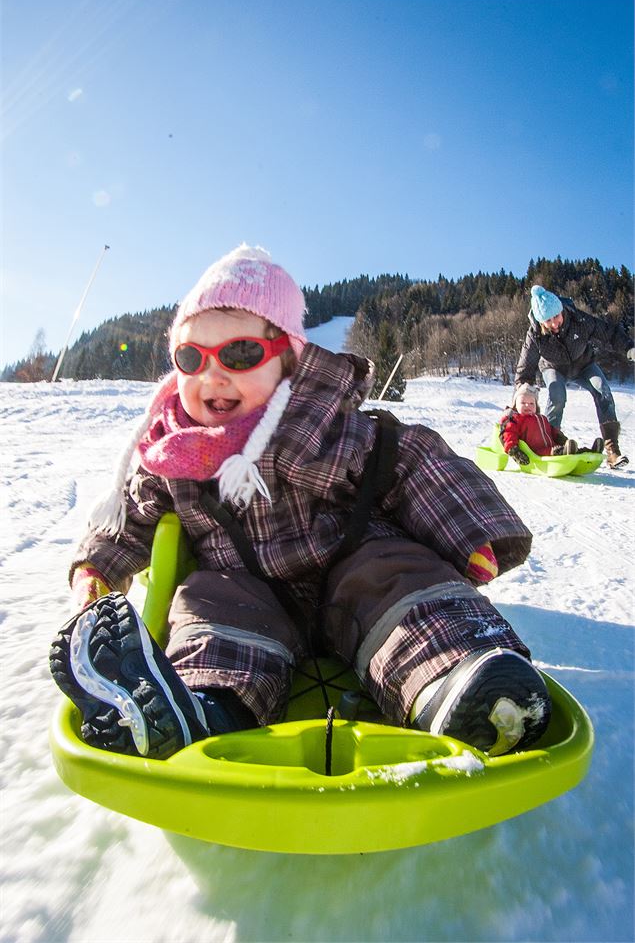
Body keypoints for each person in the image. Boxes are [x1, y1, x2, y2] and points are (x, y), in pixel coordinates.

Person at [49, 243, 551, 762]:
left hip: (350, 573)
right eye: (191, 358)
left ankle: (457, 678)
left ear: (289, 361)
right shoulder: (175, 456)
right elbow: (132, 516)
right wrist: (97, 567)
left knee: (397, 572)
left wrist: (471, 532)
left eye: (239, 354)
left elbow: (411, 460)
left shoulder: (330, 425)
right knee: (210, 600)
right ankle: (202, 709)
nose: (211, 375)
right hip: (249, 594)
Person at [515, 285, 634, 469]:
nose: (554, 323)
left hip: (584, 364)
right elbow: (526, 366)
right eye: (548, 320)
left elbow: (607, 333)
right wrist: (520, 395)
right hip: (554, 368)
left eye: (556, 316)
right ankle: (551, 445)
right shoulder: (535, 335)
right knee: (557, 395)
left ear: (561, 311)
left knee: (602, 390)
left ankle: (612, 450)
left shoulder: (579, 319)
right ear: (540, 322)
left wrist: (628, 348)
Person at [500, 383, 603, 466]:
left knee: (568, 448)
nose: (528, 405)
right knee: (559, 451)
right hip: (536, 452)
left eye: (532, 403)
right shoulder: (514, 419)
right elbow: (508, 434)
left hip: (553, 446)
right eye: (523, 403)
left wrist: (561, 438)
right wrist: (513, 450)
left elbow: (552, 431)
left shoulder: (541, 418)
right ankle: (568, 452)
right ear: (515, 405)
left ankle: (590, 453)